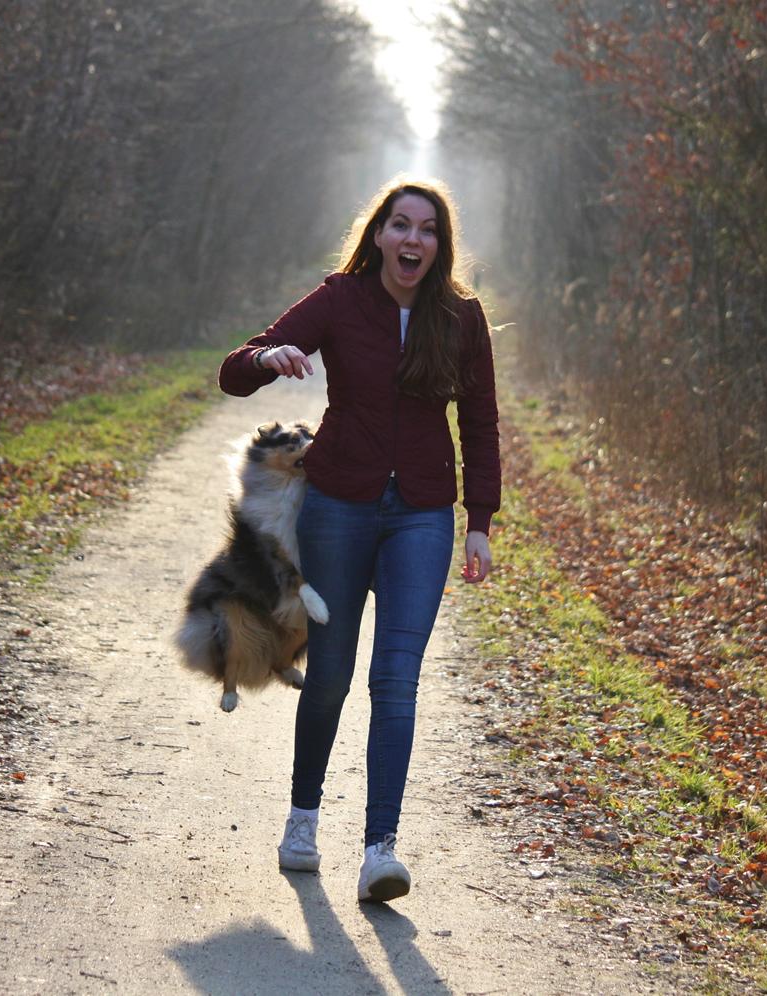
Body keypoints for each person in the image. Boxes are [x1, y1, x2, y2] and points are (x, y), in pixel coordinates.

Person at [217, 176, 501, 903]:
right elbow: (237, 369)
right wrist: (265, 361)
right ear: (377, 235)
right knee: (334, 676)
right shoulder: (339, 301)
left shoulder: (460, 318)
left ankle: (381, 849)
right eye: (401, 225)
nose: (413, 240)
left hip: (422, 516)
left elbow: (480, 423)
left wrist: (479, 523)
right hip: (339, 505)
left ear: (440, 244)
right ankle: (303, 819)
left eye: (428, 229)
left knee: (395, 680)